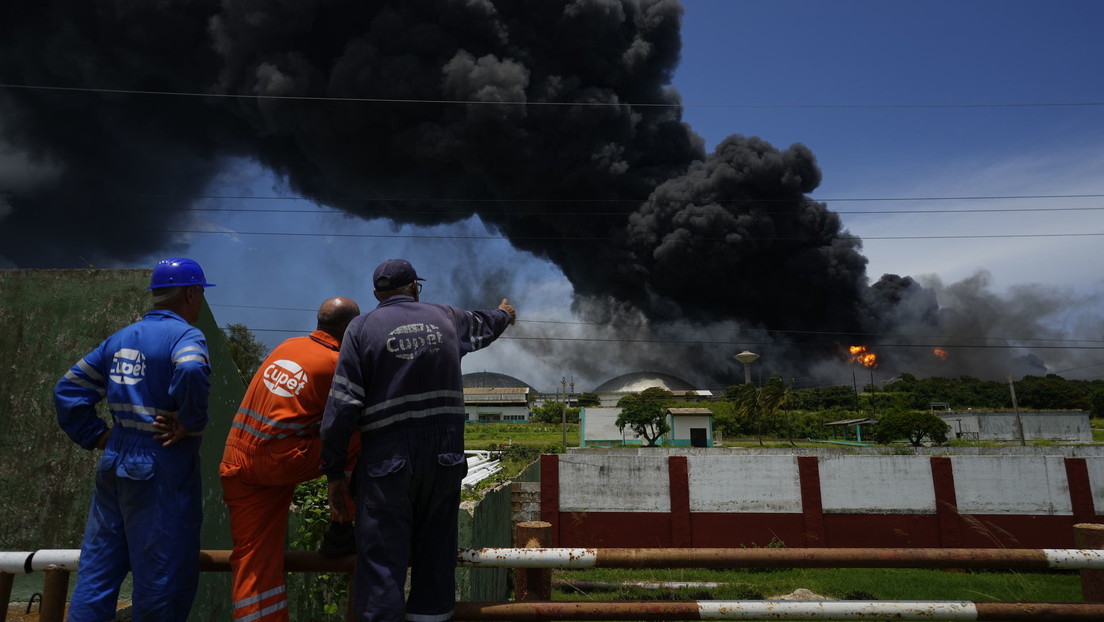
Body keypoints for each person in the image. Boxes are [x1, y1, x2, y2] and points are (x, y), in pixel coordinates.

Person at [321, 258, 516, 622]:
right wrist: (505, 313)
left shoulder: (361, 329)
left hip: (386, 461)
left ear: (377, 294)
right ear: (414, 287)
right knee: (435, 557)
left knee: (381, 560)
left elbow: (343, 405)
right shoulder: (447, 317)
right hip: (444, 457)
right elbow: (487, 323)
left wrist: (334, 471)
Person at [54, 257, 215, 622]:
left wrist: (97, 435)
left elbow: (68, 388)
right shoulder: (186, 336)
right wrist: (189, 421)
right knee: (162, 576)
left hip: (115, 459)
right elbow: (191, 367)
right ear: (192, 293)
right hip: (162, 462)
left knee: (98, 571)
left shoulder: (121, 337)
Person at [220, 296, 362, 622]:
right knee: (358, 435)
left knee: (252, 557)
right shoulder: (336, 364)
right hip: (279, 459)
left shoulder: (288, 346)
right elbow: (342, 424)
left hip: (237, 460)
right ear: (351, 327)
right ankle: (343, 527)